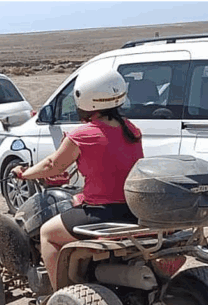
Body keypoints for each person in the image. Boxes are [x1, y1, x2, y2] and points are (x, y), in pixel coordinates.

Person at [10, 66, 144, 291]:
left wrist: (24, 173)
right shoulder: (131, 129)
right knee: (76, 200)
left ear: (85, 99)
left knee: (48, 234)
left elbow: (52, 165)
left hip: (102, 212)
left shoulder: (83, 135)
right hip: (131, 210)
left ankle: (58, 294)